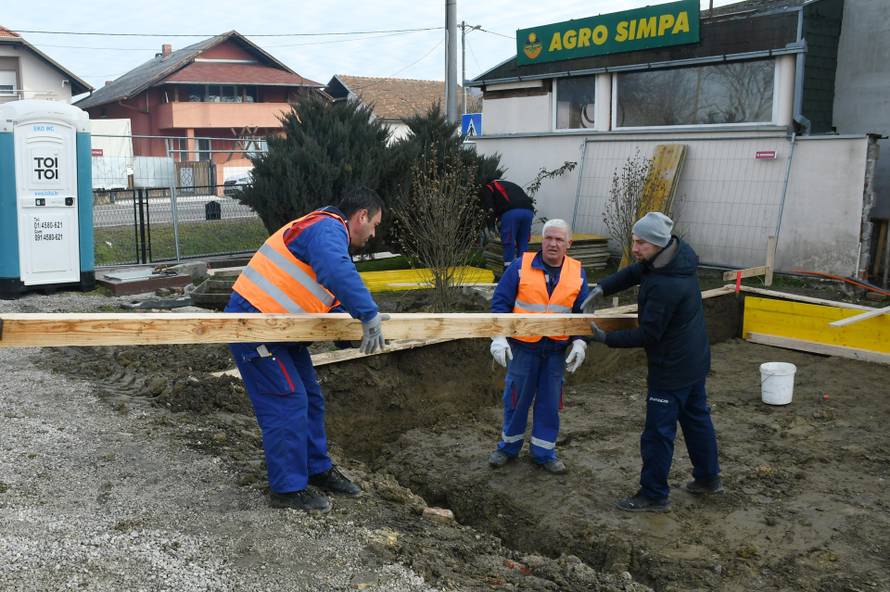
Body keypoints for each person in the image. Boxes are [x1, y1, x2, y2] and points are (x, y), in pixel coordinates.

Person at [225, 187, 388, 513]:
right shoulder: (327, 228)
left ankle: (316, 468)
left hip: (281, 332)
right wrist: (368, 314)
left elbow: (327, 293)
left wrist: (347, 333)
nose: (373, 234)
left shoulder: (326, 234)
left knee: (310, 398)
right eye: (375, 225)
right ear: (361, 216)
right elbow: (336, 272)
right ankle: (287, 489)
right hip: (256, 327)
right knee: (287, 400)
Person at [584, 212, 721, 512]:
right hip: (694, 358)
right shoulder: (673, 258)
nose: (634, 247)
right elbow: (635, 272)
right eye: (634, 240)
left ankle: (654, 494)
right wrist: (602, 288)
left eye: (640, 242)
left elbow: (648, 334)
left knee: (658, 433)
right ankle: (709, 478)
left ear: (657, 244)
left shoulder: (667, 286)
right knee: (697, 419)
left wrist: (606, 339)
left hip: (671, 367)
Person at [488, 219, 590, 474]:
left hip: (555, 352)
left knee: (549, 403)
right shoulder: (520, 267)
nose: (553, 243)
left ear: (569, 244)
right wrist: (498, 337)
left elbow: (582, 312)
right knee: (516, 400)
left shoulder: (577, 272)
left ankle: (544, 453)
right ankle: (507, 448)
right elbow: (500, 303)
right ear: (540, 240)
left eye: (559, 239)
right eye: (548, 238)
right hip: (523, 348)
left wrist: (580, 341)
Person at [480, 179, 536, 268]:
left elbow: (489, 207)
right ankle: (523, 271)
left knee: (508, 242)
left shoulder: (489, 187)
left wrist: (491, 226)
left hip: (511, 213)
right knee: (523, 242)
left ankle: (508, 271)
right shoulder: (511, 184)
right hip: (528, 212)